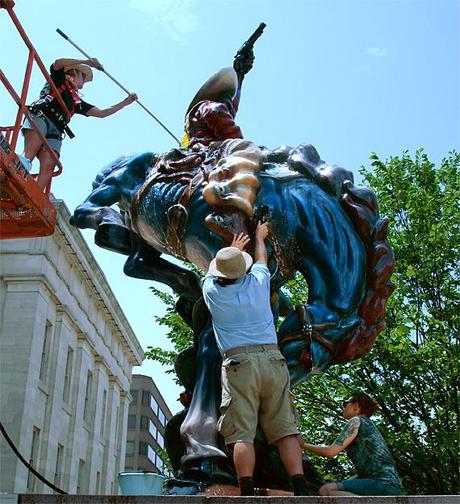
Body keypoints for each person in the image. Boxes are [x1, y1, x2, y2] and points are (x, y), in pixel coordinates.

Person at [202, 222, 307, 496]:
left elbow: (211, 273)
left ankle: (246, 491)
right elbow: (261, 259)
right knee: (285, 428)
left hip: (239, 365)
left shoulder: (212, 292)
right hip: (273, 360)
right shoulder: (259, 284)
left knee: (241, 432)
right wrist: (259, 236)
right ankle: (299, 486)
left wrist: (231, 249)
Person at [19, 57, 137, 189]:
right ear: (72, 74)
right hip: (42, 116)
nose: (84, 82)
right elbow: (57, 63)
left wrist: (126, 102)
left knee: (50, 162)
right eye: (83, 76)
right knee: (33, 144)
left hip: (56, 130)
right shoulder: (59, 80)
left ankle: (36, 193)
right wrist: (87, 62)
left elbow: (102, 113)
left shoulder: (77, 102)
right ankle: (22, 164)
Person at [300, 392, 403, 496]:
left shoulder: (356, 421)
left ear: (356, 406)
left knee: (326, 491)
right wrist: (340, 483)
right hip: (390, 485)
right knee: (335, 487)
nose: (343, 407)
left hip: (382, 484)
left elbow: (330, 452)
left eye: (345, 403)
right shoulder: (369, 425)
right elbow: (367, 473)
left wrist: (301, 444)